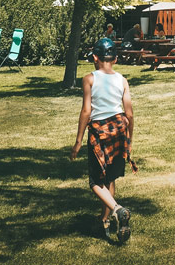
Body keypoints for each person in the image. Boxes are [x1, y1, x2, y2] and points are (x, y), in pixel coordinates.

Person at [70, 39, 137, 244]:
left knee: (95, 181)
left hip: (100, 131)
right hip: (119, 129)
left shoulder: (89, 79)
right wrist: (130, 140)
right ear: (115, 59)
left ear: (95, 58)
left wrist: (78, 141)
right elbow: (130, 114)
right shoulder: (122, 80)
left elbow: (86, 111)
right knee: (110, 178)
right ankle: (105, 220)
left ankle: (117, 209)